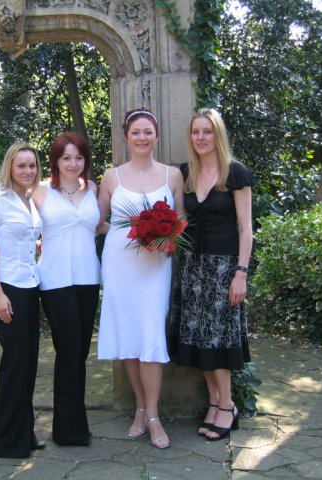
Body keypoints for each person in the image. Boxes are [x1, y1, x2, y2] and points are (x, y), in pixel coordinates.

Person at [96, 109, 184, 449]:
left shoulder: (173, 175)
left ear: (156, 135)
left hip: (155, 266)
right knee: (129, 338)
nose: (142, 137)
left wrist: (163, 237)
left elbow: (181, 220)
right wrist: (131, 232)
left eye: (148, 131)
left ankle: (154, 416)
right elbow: (98, 221)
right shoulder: (111, 176)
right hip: (120, 265)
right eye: (136, 132)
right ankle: (141, 408)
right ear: (126, 137)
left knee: (150, 335)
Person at [169, 108, 256, 441]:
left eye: (207, 131)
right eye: (196, 132)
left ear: (217, 135)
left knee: (219, 339)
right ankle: (216, 404)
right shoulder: (185, 173)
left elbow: (246, 229)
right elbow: (179, 220)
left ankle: (227, 404)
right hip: (192, 268)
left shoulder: (235, 173)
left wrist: (241, 274)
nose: (201, 137)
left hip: (224, 269)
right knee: (200, 339)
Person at [32, 132, 101, 447]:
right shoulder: (40, 190)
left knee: (80, 352)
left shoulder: (93, 189)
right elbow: (14, 216)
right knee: (69, 349)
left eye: (79, 157)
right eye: (66, 158)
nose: (73, 163)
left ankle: (73, 424)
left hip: (88, 278)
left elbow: (98, 226)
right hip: (54, 280)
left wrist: (140, 230)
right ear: (56, 161)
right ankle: (67, 431)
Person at [0, 142, 45, 458]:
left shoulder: (30, 200)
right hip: (9, 290)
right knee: (14, 365)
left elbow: (28, 238)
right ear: (10, 167)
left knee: (28, 364)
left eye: (32, 165)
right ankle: (4, 441)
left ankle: (24, 434)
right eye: (21, 166)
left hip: (31, 287)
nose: (27, 171)